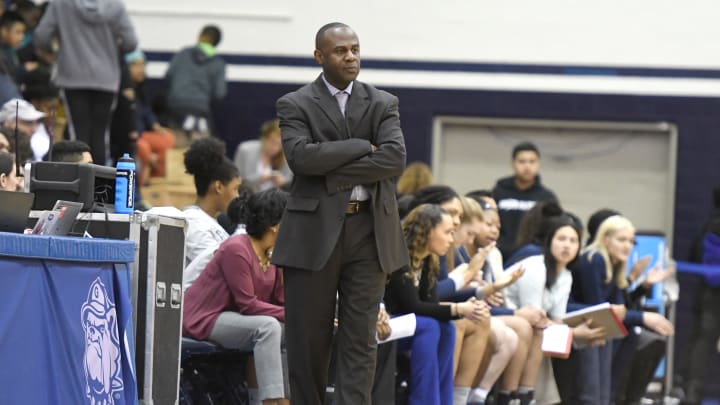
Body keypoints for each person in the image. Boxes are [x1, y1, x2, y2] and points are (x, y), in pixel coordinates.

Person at [271, 22, 407, 405]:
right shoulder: (295, 103)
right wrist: (364, 145)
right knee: (308, 341)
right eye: (340, 51)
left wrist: (331, 173)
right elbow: (301, 159)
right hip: (312, 233)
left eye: (355, 49)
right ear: (320, 56)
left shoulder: (383, 102)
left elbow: (394, 158)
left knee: (360, 339)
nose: (350, 56)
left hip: (369, 230)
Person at [183, 188, 290, 405]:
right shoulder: (237, 249)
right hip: (206, 316)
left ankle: (279, 398)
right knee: (268, 327)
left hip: (238, 317)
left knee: (288, 329)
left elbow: (280, 302)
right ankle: (273, 401)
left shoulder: (275, 254)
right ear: (275, 225)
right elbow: (248, 304)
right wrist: (294, 314)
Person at [557, 215, 674, 405]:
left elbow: (619, 308)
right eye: (622, 240)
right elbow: (601, 309)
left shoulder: (614, 264)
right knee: (604, 335)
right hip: (573, 323)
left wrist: (642, 286)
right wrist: (643, 317)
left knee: (619, 334)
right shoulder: (594, 259)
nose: (628, 246)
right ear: (605, 239)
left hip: (592, 324)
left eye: (630, 241)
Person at [384, 204, 488, 405]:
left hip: (404, 327)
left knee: (446, 327)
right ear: (428, 231)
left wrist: (468, 307)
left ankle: (441, 400)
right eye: (448, 232)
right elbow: (413, 306)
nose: (451, 239)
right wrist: (459, 309)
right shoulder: (399, 258)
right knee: (429, 326)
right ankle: (423, 401)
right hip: (382, 324)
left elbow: (430, 305)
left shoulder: (428, 260)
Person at [34, 0, 137, 164]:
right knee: (101, 134)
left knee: (78, 132)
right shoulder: (115, 6)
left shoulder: (61, 4)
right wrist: (112, 53)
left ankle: (77, 183)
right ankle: (100, 184)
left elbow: (41, 35)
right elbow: (130, 42)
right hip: (106, 77)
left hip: (72, 76)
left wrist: (55, 53)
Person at [492, 141, 557, 258]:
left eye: (532, 161)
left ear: (538, 163)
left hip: (534, 256)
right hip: (500, 255)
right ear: (513, 163)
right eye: (522, 161)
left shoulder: (547, 197)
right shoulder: (498, 192)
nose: (527, 166)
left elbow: (553, 229)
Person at [183, 137, 241, 267]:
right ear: (219, 187)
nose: (237, 196)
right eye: (235, 189)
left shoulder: (211, 223)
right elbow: (220, 270)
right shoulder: (194, 225)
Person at [165, 25, 226, 139]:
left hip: (176, 107)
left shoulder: (183, 54)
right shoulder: (218, 63)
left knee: (177, 148)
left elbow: (168, 75)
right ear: (217, 43)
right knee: (200, 151)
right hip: (200, 111)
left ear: (200, 36)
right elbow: (219, 93)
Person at [233, 119, 293, 192]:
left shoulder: (286, 157)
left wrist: (283, 183)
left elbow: (290, 185)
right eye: (272, 142)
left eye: (279, 145)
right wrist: (262, 178)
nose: (274, 147)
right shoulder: (245, 150)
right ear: (264, 137)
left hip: (275, 200)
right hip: (248, 198)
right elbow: (236, 180)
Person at [0, 97, 44, 163]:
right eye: (28, 123)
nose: (33, 130)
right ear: (7, 123)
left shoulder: (32, 150)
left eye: (36, 123)